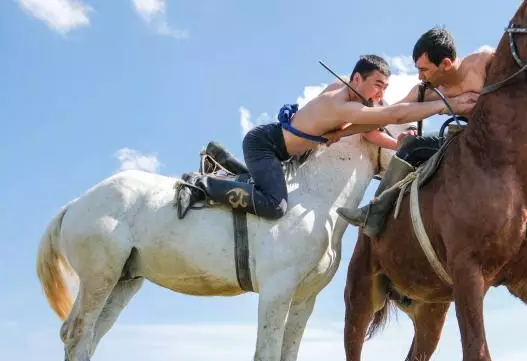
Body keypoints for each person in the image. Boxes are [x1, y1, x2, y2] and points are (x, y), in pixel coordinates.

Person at [180, 55, 453, 220]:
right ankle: (201, 184)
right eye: (377, 85)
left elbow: (367, 127)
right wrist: (440, 108)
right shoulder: (341, 104)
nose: (380, 93)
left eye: (385, 87)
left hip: (279, 151)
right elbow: (387, 118)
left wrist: (387, 138)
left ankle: (220, 158)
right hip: (265, 145)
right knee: (275, 204)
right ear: (357, 78)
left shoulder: (347, 92)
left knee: (261, 183)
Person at [336, 26, 495, 237]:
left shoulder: (483, 63)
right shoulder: (426, 92)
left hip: (503, 139)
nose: (420, 77)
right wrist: (340, 132)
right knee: (414, 145)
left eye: (424, 69)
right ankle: (374, 213)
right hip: (464, 142)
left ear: (446, 64)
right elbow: (388, 114)